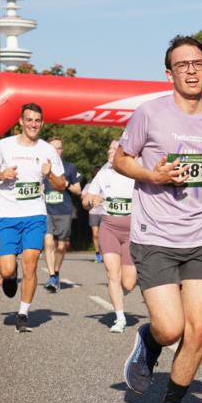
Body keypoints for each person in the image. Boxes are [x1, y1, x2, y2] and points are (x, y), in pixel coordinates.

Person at [114, 35, 202, 403]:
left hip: (201, 233)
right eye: (182, 65)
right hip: (155, 234)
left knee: (198, 327)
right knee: (171, 329)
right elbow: (120, 159)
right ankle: (149, 343)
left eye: (197, 63)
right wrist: (153, 175)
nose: (191, 70)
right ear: (169, 74)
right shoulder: (150, 114)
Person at [0, 103, 66, 333]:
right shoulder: (4, 145)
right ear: (21, 121)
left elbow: (61, 186)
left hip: (35, 215)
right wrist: (1, 174)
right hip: (7, 216)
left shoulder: (47, 150)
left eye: (37, 120)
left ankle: (23, 313)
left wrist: (49, 174)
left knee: (31, 263)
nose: (33, 124)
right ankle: (10, 277)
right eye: (29, 120)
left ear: (41, 123)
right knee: (7, 269)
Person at [83, 140, 137, 333]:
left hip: (133, 233)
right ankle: (120, 318)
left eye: (115, 148)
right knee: (112, 274)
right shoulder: (103, 174)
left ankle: (118, 296)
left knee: (129, 282)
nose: (110, 151)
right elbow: (85, 201)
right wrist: (90, 201)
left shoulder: (136, 173)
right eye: (109, 148)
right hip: (110, 229)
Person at [42, 137, 82, 292]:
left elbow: (78, 190)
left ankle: (56, 272)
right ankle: (52, 276)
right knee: (48, 241)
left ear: (62, 150)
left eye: (58, 148)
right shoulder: (41, 167)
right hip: (46, 210)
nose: (55, 151)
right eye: (52, 148)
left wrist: (66, 184)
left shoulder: (70, 167)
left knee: (61, 246)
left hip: (64, 210)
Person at [84, 165, 105, 263]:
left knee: (103, 235)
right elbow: (83, 198)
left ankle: (105, 253)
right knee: (95, 234)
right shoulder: (89, 185)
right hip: (93, 212)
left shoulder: (107, 183)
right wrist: (89, 202)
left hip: (105, 212)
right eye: (95, 171)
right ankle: (98, 254)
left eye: (99, 171)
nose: (97, 173)